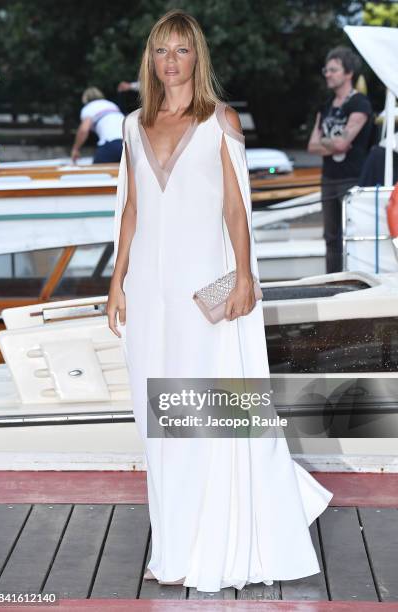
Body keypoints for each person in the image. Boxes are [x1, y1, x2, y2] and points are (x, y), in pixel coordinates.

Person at [107, 9, 333, 593]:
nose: (171, 61)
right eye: (162, 51)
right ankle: (177, 546)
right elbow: (131, 208)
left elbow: (237, 208)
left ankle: (221, 543)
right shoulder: (134, 125)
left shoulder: (220, 120)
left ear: (196, 57)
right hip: (148, 297)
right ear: (151, 60)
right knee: (157, 422)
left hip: (201, 291)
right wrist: (116, 280)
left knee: (203, 416)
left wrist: (243, 277)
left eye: (182, 50)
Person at [308, 46, 373, 273]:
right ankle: (332, 281)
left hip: (352, 178)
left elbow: (341, 144)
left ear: (348, 73)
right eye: (326, 69)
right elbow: (311, 145)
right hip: (329, 178)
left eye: (333, 70)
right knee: (331, 236)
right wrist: (332, 143)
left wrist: (326, 143)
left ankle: (353, 279)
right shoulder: (325, 106)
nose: (327, 73)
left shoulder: (359, 104)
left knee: (352, 234)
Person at [71, 87, 125, 164]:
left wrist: (75, 149)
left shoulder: (88, 108)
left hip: (112, 144)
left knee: (95, 175)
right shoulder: (111, 104)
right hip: (131, 144)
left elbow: (84, 130)